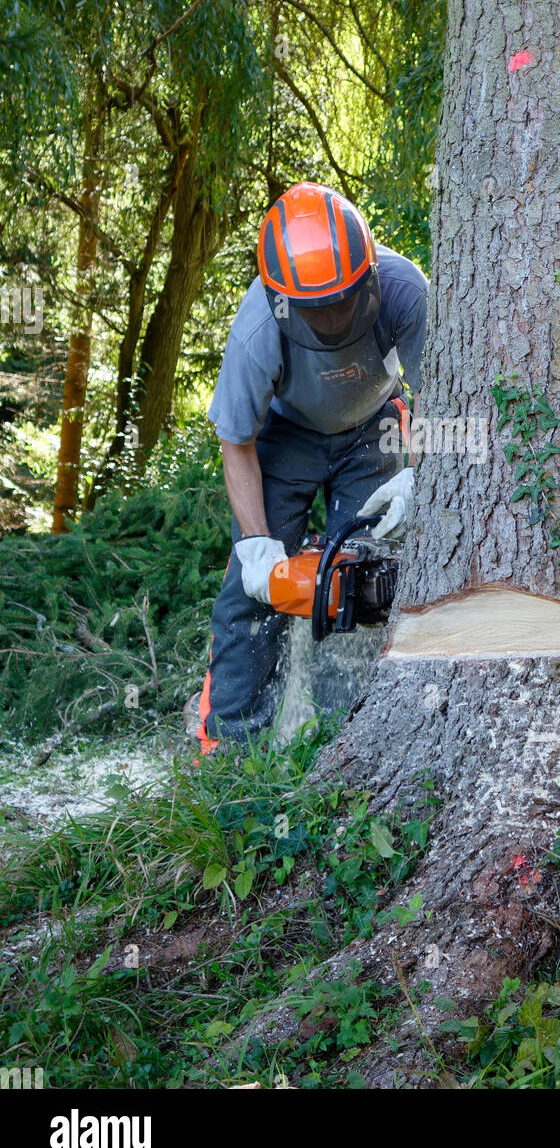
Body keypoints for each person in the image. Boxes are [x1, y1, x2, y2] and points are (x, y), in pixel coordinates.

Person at [193, 181, 427, 757]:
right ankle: (227, 749)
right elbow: (236, 441)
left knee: (365, 585)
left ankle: (340, 748)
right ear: (283, 298)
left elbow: (445, 399)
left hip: (374, 424)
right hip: (286, 433)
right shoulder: (257, 329)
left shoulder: (406, 293)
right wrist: (256, 545)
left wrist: (418, 475)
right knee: (252, 596)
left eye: (344, 301)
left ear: (367, 273)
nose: (333, 317)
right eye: (318, 309)